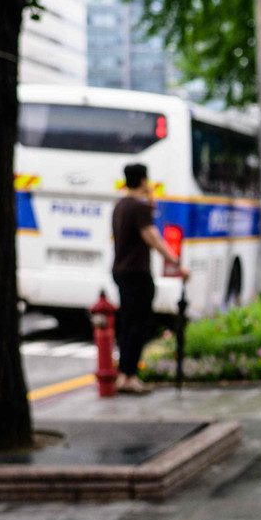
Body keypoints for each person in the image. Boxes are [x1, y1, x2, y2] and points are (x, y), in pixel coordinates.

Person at [111, 163, 188, 395]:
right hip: (137, 273)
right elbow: (152, 237)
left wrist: (150, 198)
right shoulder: (138, 208)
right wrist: (176, 262)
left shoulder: (121, 205)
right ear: (144, 180)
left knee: (126, 323)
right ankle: (130, 375)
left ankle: (123, 374)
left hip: (120, 270)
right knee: (138, 325)